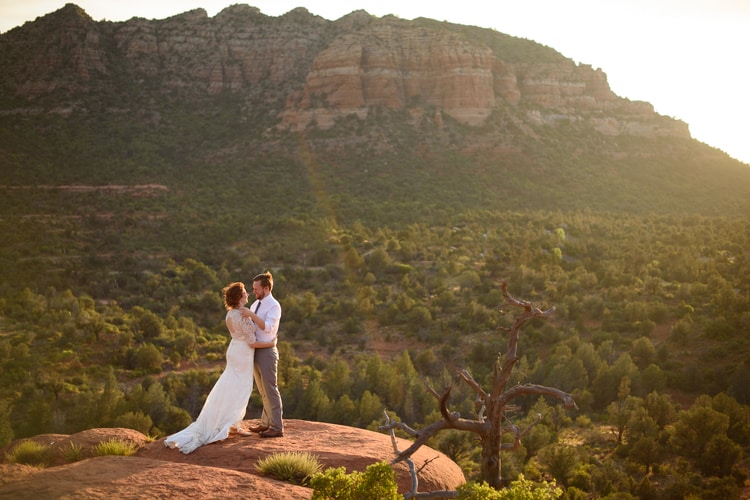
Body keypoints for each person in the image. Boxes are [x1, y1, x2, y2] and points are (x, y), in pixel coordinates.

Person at [164, 282, 274, 453]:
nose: (248, 294)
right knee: (241, 389)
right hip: (243, 353)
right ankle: (232, 425)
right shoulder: (243, 315)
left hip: (234, 350)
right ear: (239, 297)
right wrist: (270, 343)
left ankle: (230, 423)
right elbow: (252, 342)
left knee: (229, 386)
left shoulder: (230, 314)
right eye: (245, 292)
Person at [243, 271, 284, 438]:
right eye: (253, 289)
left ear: (266, 288)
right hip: (255, 350)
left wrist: (251, 315)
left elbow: (267, 327)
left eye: (256, 289)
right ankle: (266, 423)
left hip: (267, 352)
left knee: (271, 389)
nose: (254, 292)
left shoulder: (274, 306)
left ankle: (277, 426)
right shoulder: (255, 304)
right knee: (262, 390)